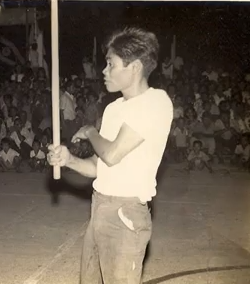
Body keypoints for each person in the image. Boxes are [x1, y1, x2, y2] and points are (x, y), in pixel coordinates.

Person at [47, 27, 173, 284]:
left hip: (126, 214)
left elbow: (113, 154)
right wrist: (68, 159)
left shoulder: (155, 102)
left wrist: (91, 131)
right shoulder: (114, 108)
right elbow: (99, 166)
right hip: (99, 207)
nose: (104, 71)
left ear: (135, 67)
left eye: (110, 64)